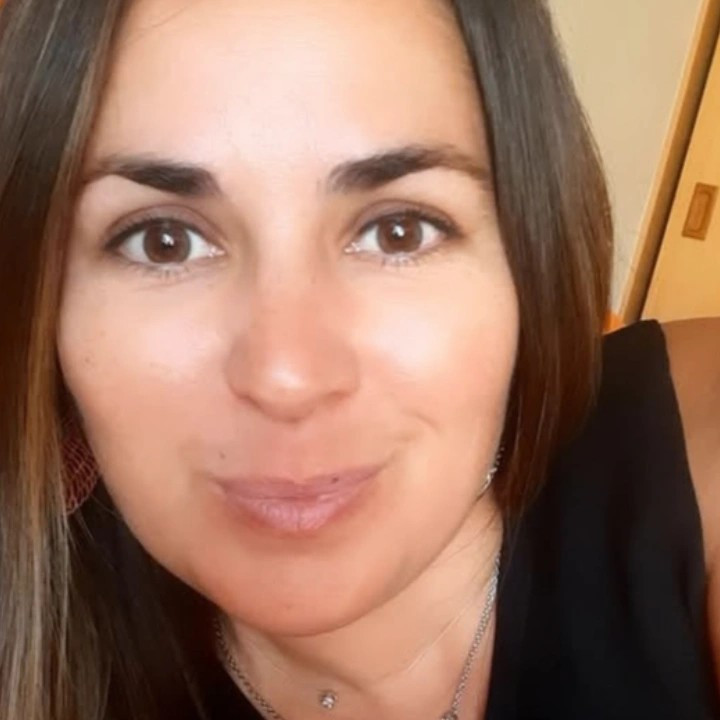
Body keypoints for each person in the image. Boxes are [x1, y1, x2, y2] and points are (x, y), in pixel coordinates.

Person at [0, 0, 718, 718]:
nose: (287, 378)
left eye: (399, 231)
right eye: (164, 242)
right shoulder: (43, 654)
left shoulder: (688, 462)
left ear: (529, 262)